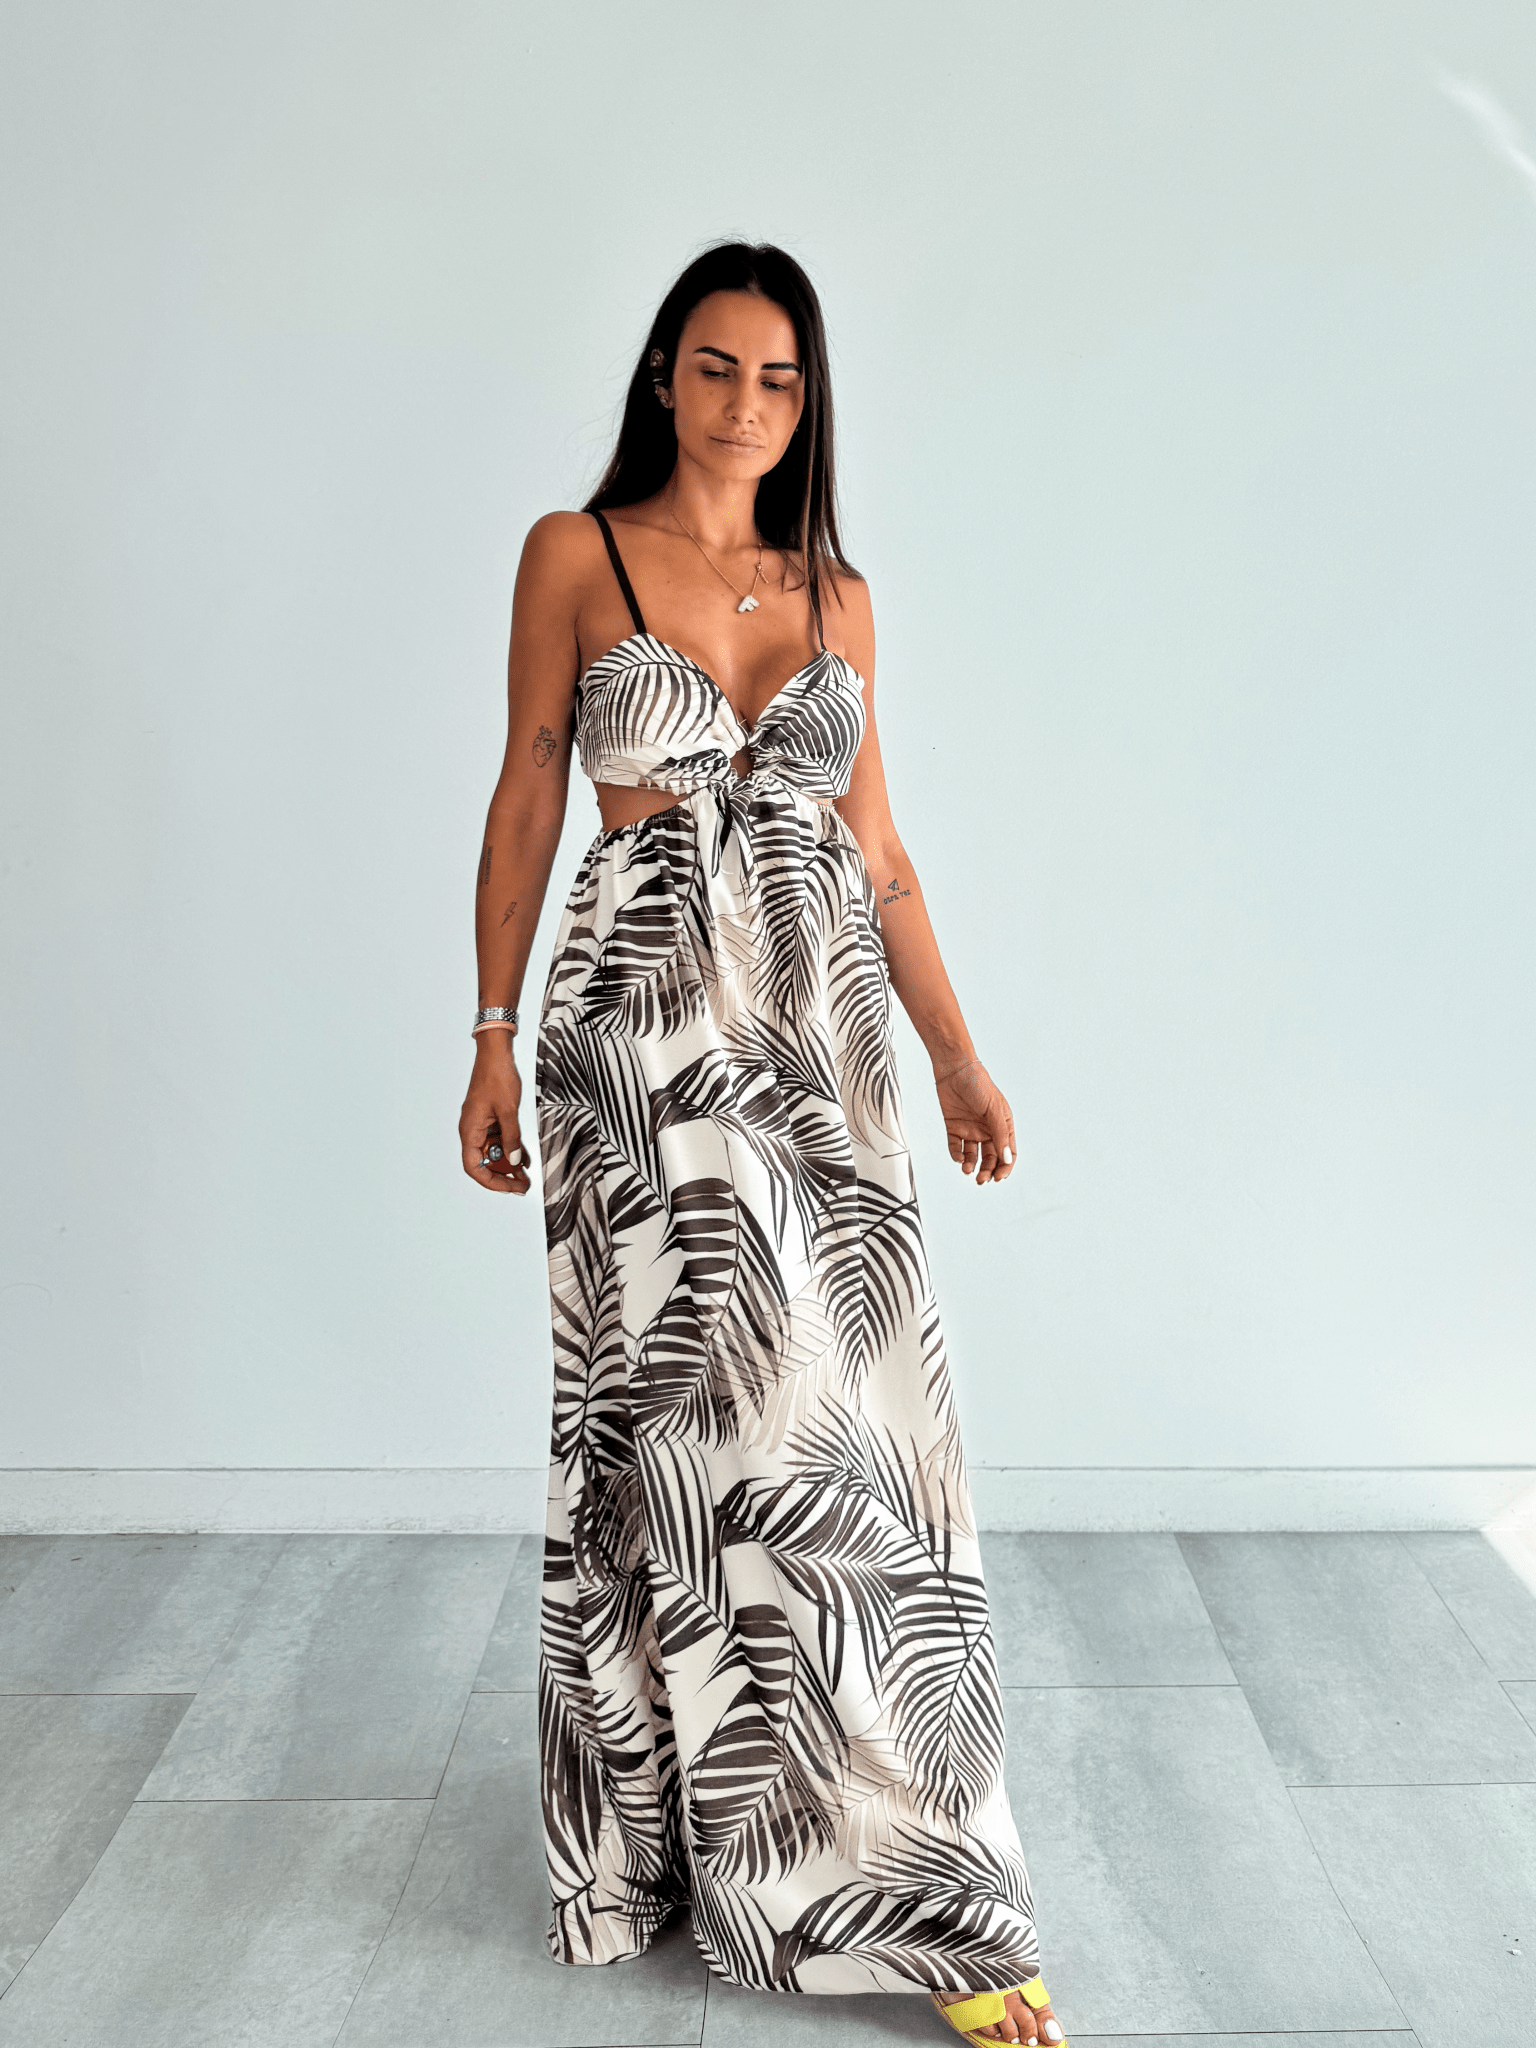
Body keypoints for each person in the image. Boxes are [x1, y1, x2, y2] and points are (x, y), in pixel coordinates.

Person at [458, 242, 1066, 2048]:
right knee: (679, 1439)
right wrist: (485, 1033)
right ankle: (710, 1864)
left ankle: (909, 1875)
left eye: (780, 378)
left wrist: (957, 1054)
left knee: (849, 1438)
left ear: (811, 402)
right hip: (640, 1044)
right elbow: (528, 791)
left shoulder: (840, 595)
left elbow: (880, 853)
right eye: (716, 367)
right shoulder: (576, 555)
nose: (746, 403)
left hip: (822, 1044)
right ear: (664, 374)